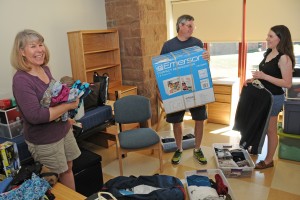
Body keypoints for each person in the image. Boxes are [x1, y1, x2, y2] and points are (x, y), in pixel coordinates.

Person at [11, 29, 81, 189]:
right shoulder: (21, 80)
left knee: (68, 169)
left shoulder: (45, 69)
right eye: (33, 46)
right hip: (44, 139)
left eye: (41, 44)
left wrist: (67, 114)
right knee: (54, 181)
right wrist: (68, 106)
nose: (39, 49)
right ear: (22, 51)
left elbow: (52, 99)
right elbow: (35, 116)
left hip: (63, 130)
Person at [160, 14, 210, 165]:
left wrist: (208, 58)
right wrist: (162, 93)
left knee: (200, 119)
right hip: (176, 90)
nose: (192, 29)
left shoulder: (197, 43)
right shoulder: (168, 45)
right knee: (176, 121)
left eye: (193, 26)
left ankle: (197, 149)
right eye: (189, 26)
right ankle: (179, 148)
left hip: (196, 89)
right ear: (180, 26)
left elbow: (203, 66)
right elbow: (161, 70)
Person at [244, 25, 295, 169]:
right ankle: (254, 148)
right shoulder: (268, 53)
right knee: (260, 125)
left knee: (271, 130)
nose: (267, 39)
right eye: (268, 35)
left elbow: (287, 83)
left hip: (274, 99)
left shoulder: (284, 58)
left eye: (271, 36)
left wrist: (263, 76)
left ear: (280, 38)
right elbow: (265, 77)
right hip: (263, 97)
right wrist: (254, 80)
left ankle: (268, 160)